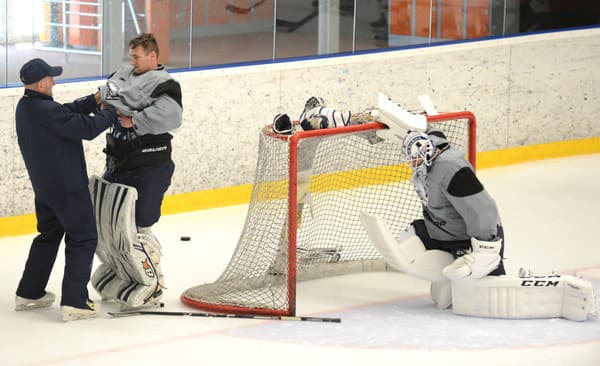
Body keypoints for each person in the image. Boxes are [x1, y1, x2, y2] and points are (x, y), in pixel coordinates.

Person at [14, 58, 118, 321]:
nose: (54, 81)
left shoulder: (27, 106)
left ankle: (30, 292)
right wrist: (113, 112)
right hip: (68, 189)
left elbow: (67, 112)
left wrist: (95, 100)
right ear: (40, 83)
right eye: (51, 78)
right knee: (83, 237)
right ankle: (75, 302)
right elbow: (88, 127)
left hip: (46, 189)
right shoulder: (48, 112)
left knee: (48, 236)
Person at [91, 33, 182, 308]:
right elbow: (108, 92)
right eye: (130, 56)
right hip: (119, 160)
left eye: (137, 56)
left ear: (153, 56)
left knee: (140, 226)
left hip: (150, 164)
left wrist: (134, 114)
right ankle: (123, 272)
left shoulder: (165, 84)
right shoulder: (126, 72)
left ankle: (152, 285)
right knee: (110, 223)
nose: (131, 62)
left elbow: (171, 116)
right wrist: (127, 101)